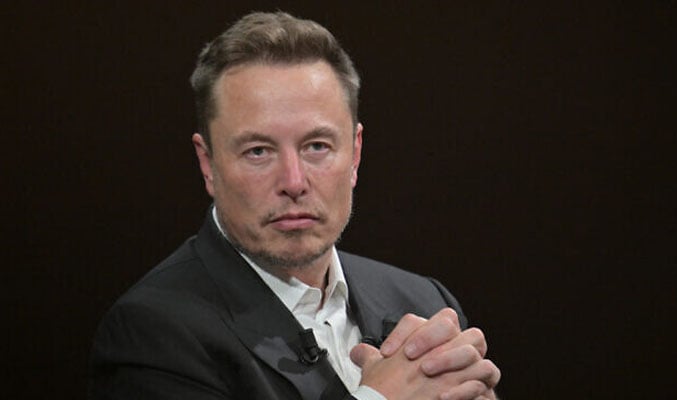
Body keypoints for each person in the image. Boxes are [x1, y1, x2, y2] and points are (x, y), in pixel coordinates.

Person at [89, 11, 500, 400]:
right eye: (258, 151)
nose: (293, 182)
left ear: (355, 154)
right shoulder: (153, 333)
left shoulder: (422, 301)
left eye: (317, 146)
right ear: (208, 163)